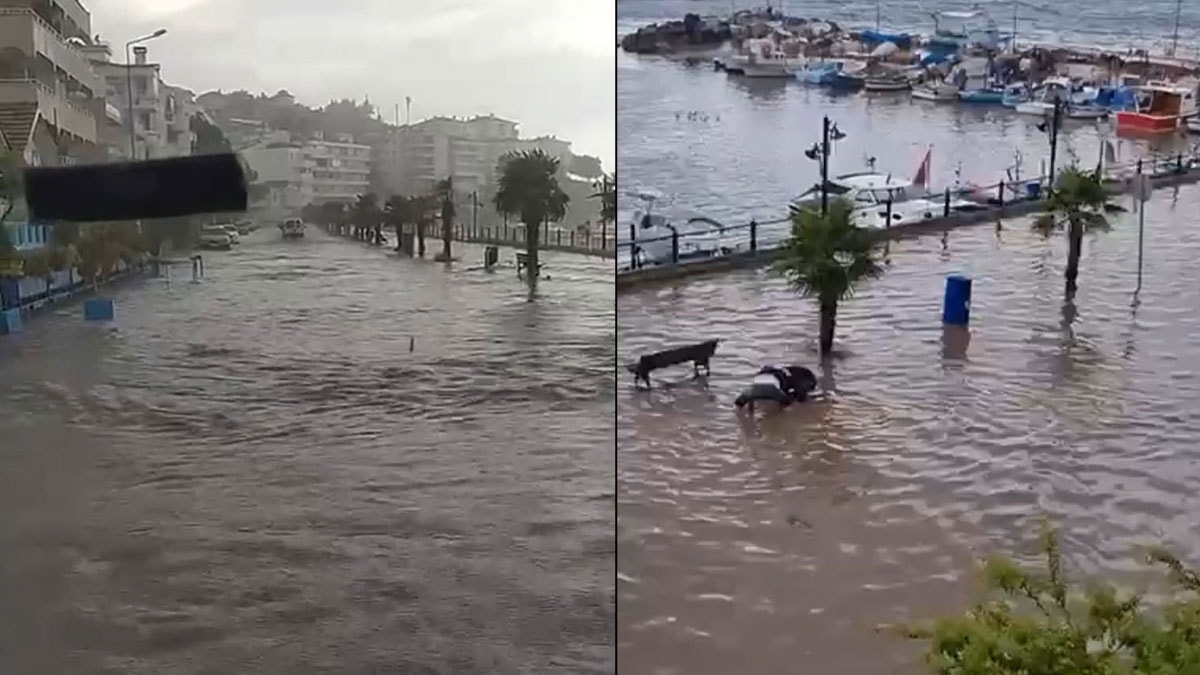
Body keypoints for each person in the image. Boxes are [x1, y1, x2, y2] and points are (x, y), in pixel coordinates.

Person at [734, 365, 817, 409]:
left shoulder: (768, 372)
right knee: (788, 404)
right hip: (775, 388)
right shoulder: (801, 376)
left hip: (755, 386)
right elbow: (786, 389)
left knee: (741, 404)